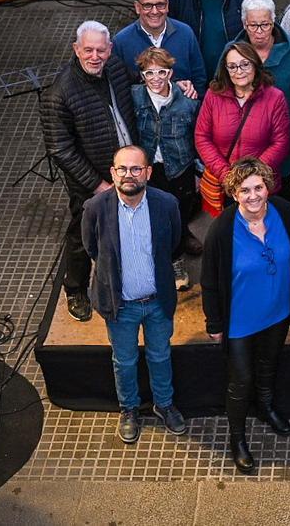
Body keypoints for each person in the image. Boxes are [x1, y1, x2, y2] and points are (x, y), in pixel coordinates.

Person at [201, 157, 290, 474]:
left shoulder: (284, 213)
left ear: (267, 187)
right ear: (234, 193)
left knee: (268, 365)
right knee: (241, 380)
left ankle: (266, 408)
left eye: (258, 187)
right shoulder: (222, 229)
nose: (253, 195)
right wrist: (214, 323)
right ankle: (237, 438)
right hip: (240, 321)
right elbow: (209, 280)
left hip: (276, 310)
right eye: (244, 190)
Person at [81, 145, 186, 444]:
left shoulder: (166, 204)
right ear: (113, 173)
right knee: (124, 361)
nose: (129, 175)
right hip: (120, 305)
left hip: (157, 301)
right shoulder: (95, 208)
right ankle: (128, 410)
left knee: (160, 355)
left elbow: (174, 244)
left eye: (136, 169)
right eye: (123, 169)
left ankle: (164, 404)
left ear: (148, 173)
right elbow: (92, 249)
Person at [41, 21, 138, 323]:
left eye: (100, 50)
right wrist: (98, 185)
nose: (95, 56)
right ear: (76, 49)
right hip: (92, 182)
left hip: (128, 172)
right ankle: (75, 290)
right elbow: (61, 150)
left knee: (130, 228)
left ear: (110, 50)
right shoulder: (59, 93)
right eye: (88, 50)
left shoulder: (117, 69)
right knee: (82, 237)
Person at [131, 47, 203, 289]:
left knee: (179, 215)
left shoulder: (188, 102)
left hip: (179, 168)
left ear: (170, 73)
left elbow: (197, 137)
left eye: (161, 71)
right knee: (151, 218)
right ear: (142, 76)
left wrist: (200, 173)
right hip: (150, 170)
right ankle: (157, 261)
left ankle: (177, 259)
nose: (156, 78)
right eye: (149, 73)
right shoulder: (135, 97)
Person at [230, 0, 290, 204]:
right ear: (244, 24)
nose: (259, 32)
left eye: (265, 25)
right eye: (253, 25)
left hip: (280, 150)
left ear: (273, 21)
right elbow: (221, 96)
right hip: (240, 151)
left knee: (282, 205)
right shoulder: (231, 53)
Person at [195, 42, 290, 218]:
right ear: (226, 69)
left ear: (255, 64)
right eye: (232, 66)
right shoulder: (213, 95)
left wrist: (253, 177)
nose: (239, 71)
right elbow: (202, 137)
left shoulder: (275, 97)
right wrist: (229, 176)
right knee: (231, 236)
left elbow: (281, 141)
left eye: (245, 64)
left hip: (262, 187)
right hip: (227, 187)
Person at [112, 0, 204, 98]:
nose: (155, 11)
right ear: (137, 7)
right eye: (147, 6)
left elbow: (199, 77)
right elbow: (119, 87)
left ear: (167, 6)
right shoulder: (121, 42)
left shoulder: (186, 33)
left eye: (160, 5)